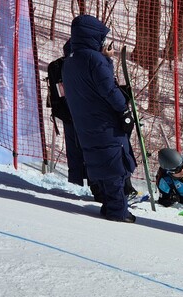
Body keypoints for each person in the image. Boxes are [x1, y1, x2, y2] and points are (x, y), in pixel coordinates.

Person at [62, 15, 136, 223]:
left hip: (85, 121)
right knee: (114, 163)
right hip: (104, 121)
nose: (104, 43)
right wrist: (124, 109)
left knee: (99, 161)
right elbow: (108, 89)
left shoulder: (70, 61)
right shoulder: (95, 60)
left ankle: (109, 204)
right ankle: (117, 211)